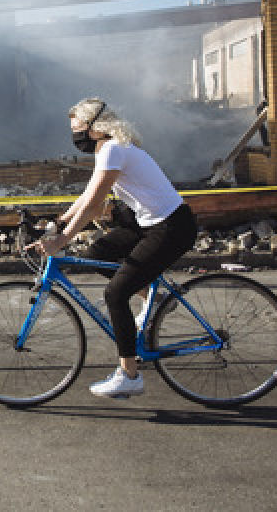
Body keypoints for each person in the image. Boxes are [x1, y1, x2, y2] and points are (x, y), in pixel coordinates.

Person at [26, 98, 197, 398]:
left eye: (76, 128)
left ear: (94, 128)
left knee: (115, 293)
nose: (74, 134)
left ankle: (129, 375)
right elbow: (88, 195)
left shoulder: (114, 149)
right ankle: (154, 299)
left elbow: (93, 206)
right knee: (97, 255)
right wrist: (57, 222)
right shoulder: (111, 148)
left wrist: (61, 241)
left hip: (170, 228)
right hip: (149, 224)